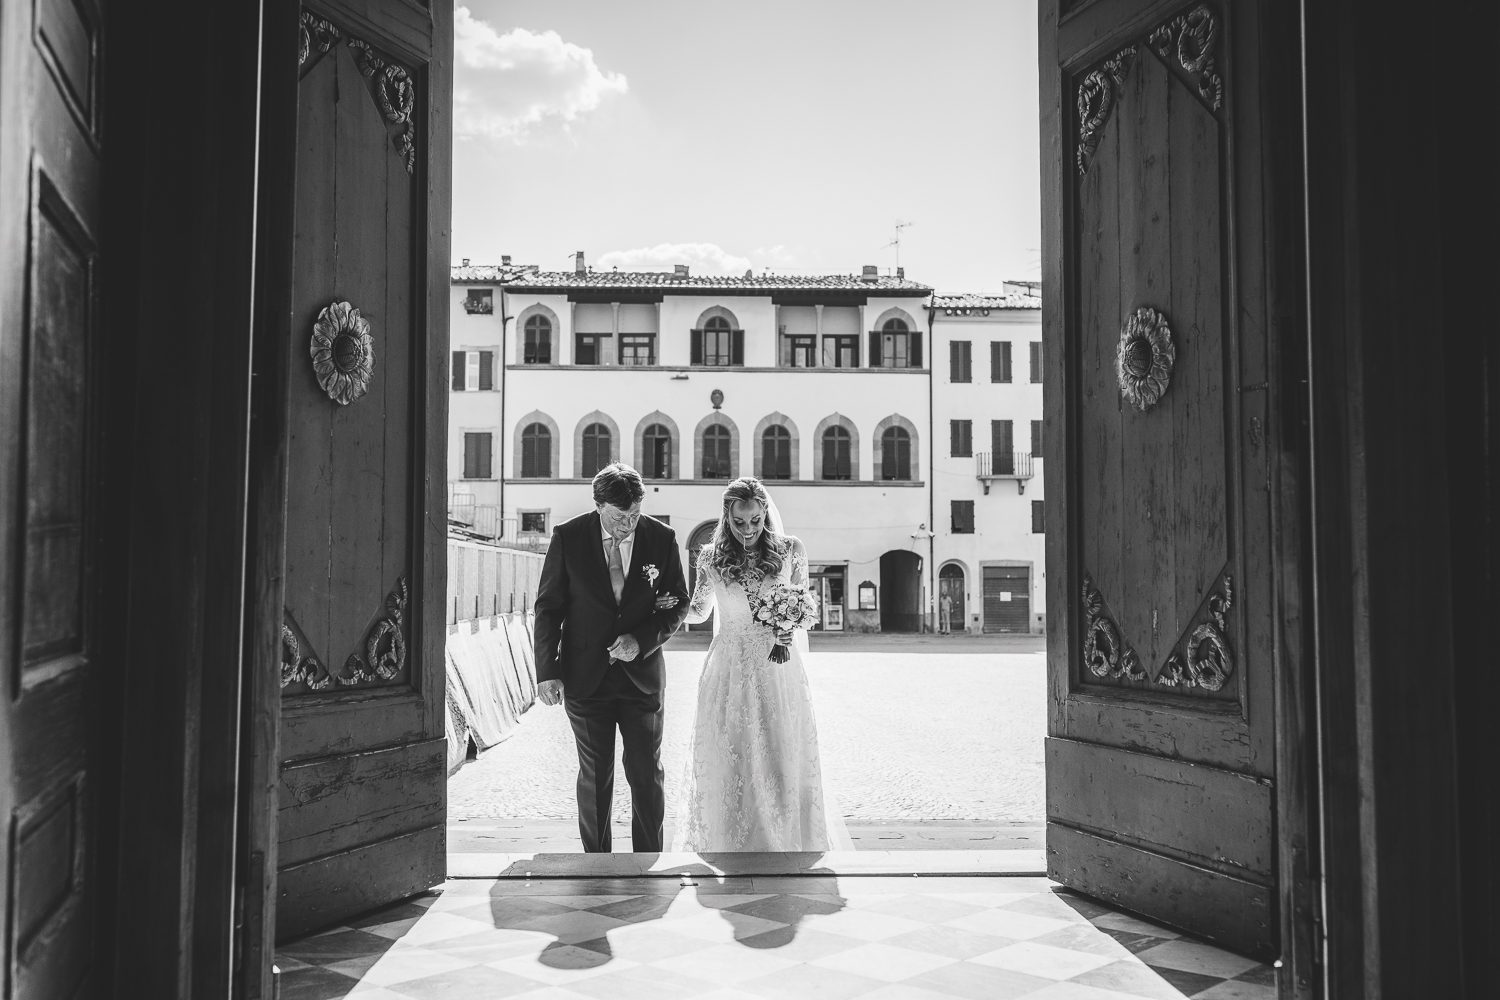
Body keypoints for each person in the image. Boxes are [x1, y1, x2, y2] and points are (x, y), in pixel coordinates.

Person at [672, 477, 843, 852]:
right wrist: (670, 599)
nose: (748, 530)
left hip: (777, 667)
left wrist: (788, 628)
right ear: (727, 517)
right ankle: (731, 838)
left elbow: (801, 604)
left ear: (765, 512)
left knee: (780, 749)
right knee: (732, 753)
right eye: (739, 522)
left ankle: (782, 836)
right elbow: (700, 612)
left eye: (754, 520)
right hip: (728, 667)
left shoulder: (790, 549)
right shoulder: (711, 557)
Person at [533, 463, 690, 853]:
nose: (629, 524)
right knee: (595, 775)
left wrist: (642, 640)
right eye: (620, 517)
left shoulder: (661, 537)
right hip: (585, 678)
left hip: (642, 678)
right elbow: (548, 608)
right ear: (598, 505)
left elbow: (679, 604)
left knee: (646, 774)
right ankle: (597, 860)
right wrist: (546, 672)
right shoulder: (568, 537)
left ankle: (647, 860)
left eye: (635, 514)